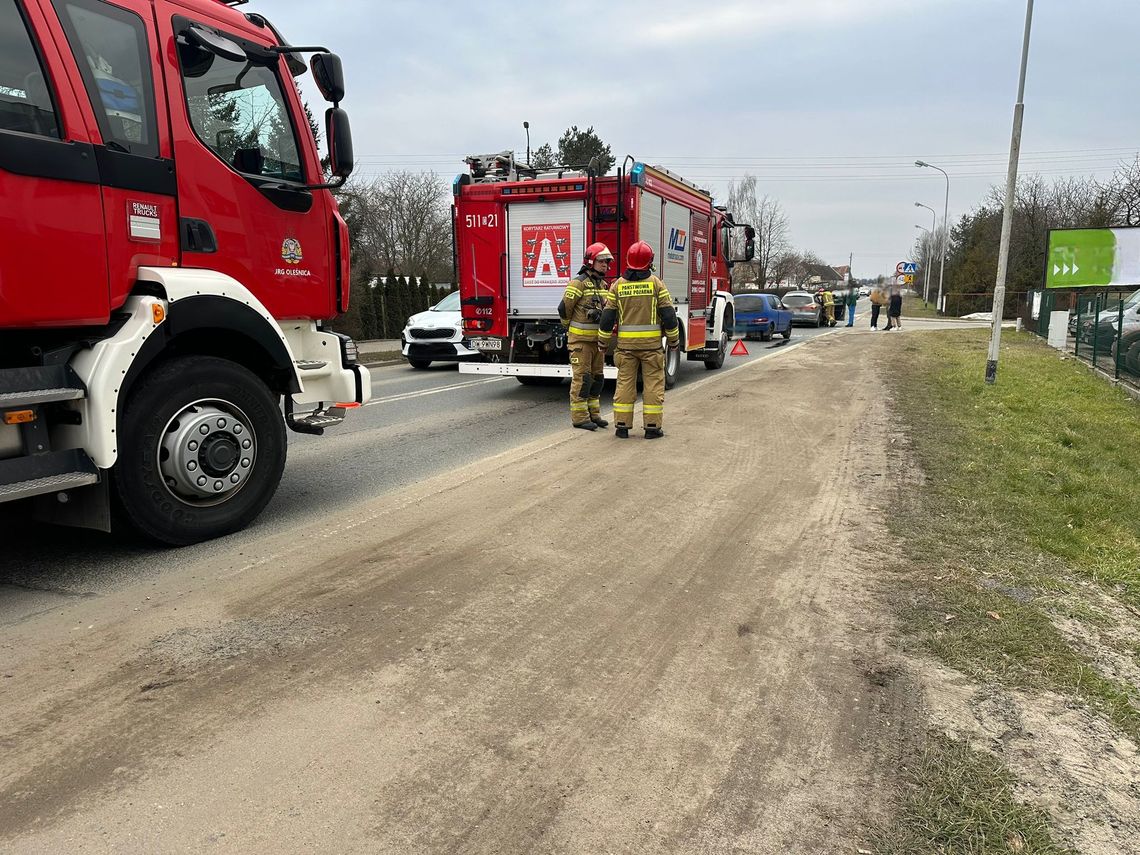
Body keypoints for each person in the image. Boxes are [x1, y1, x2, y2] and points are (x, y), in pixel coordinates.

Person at [597, 241, 679, 439]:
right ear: (649, 262)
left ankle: (622, 426)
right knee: (652, 386)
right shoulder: (656, 284)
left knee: (624, 384)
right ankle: (652, 428)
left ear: (628, 261)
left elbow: (607, 318)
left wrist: (602, 342)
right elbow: (669, 316)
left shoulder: (618, 285)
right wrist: (674, 341)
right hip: (651, 348)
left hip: (625, 348)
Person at [558, 242, 614, 430]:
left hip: (597, 342)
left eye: (607, 262)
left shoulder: (603, 284)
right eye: (602, 261)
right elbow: (564, 309)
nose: (605, 265)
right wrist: (570, 329)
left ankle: (594, 415)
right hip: (580, 343)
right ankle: (580, 418)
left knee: (597, 379)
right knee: (582, 380)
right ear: (591, 261)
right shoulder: (578, 283)